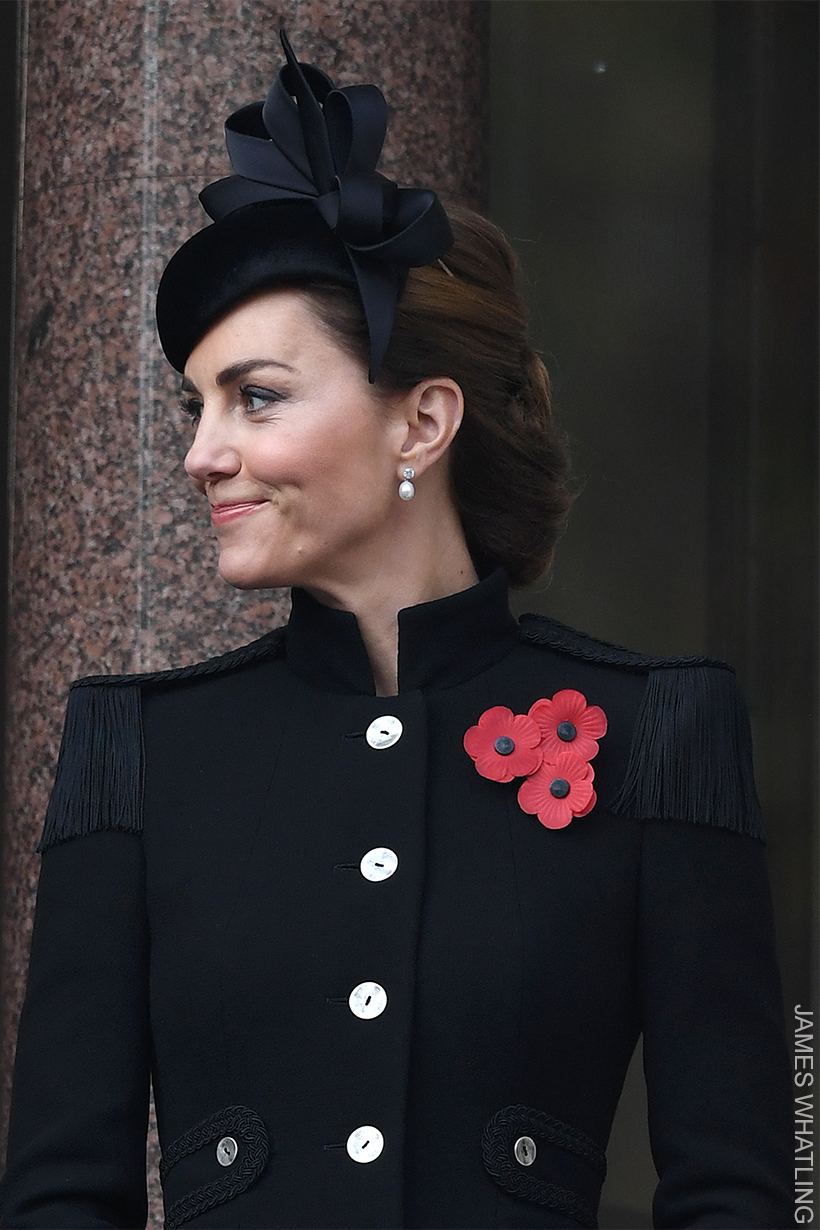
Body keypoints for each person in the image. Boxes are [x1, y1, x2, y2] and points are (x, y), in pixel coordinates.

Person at [1, 32, 792, 1230]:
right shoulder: (140, 752)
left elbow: (751, 1186)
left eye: (255, 397)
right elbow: (59, 1198)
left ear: (420, 422)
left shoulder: (661, 734)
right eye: (197, 404)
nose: (200, 452)